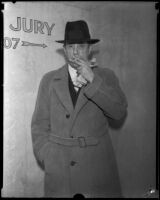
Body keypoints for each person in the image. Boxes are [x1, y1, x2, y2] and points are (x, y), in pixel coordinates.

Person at [31, 20, 128, 198]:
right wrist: (48, 156)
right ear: (65, 49)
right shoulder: (49, 80)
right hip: (60, 173)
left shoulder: (106, 76)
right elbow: (39, 125)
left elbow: (119, 112)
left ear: (89, 49)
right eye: (71, 46)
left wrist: (92, 78)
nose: (75, 51)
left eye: (81, 46)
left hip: (97, 171)